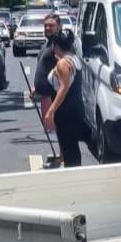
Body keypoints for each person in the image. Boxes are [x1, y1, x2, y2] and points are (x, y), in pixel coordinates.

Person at [43, 28, 84, 167]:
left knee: (69, 149)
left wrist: (51, 110)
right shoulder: (74, 59)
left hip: (66, 111)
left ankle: (73, 180)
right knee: (72, 148)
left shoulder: (63, 64)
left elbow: (64, 87)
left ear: (56, 45)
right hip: (76, 108)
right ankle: (75, 175)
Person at [32, 13, 61, 128]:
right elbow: (45, 67)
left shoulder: (58, 45)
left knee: (57, 135)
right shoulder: (47, 44)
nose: (48, 28)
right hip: (45, 96)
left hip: (52, 98)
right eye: (45, 25)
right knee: (50, 131)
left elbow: (63, 70)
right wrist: (36, 87)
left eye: (51, 25)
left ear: (59, 27)